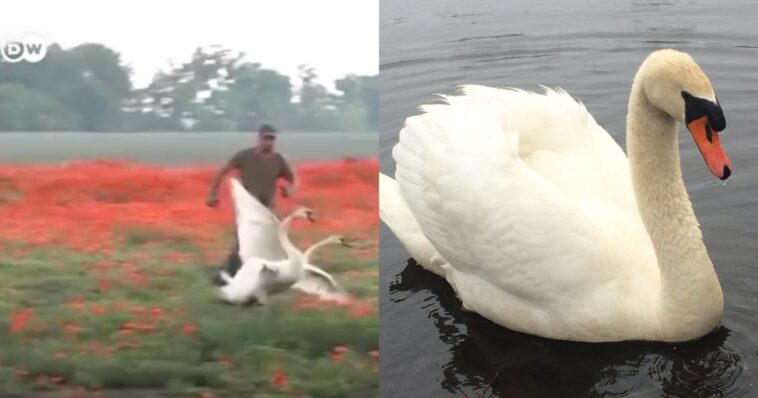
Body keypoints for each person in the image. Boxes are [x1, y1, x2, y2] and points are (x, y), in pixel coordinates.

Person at [206, 123, 296, 284]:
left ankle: (270, 275)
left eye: (272, 139)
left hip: (268, 207)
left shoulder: (278, 160)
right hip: (248, 207)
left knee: (275, 239)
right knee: (241, 241)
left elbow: (291, 178)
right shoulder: (245, 156)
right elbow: (223, 171)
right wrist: (213, 194)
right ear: (258, 138)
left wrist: (288, 189)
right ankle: (227, 275)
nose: (269, 142)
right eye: (266, 138)